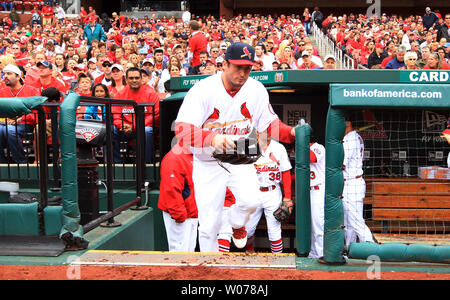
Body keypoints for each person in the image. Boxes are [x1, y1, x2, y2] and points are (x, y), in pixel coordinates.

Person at [174, 43, 296, 252]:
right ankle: (211, 268)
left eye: (247, 68)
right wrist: (211, 138)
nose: (242, 73)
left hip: (240, 157)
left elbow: (269, 124)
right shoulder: (203, 89)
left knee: (251, 201)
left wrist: (291, 133)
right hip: (208, 162)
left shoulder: (256, 89)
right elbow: (182, 130)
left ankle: (237, 224)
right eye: (237, 67)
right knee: (209, 225)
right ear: (224, 64)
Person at [244, 130, 292, 254]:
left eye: (270, 129)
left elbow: (285, 172)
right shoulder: (248, 146)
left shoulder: (279, 147)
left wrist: (287, 197)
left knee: (274, 230)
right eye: (265, 129)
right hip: (253, 192)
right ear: (257, 132)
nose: (269, 132)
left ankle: (277, 259)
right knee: (248, 229)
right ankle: (249, 251)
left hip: (273, 192)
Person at [112, 67, 160, 164]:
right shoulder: (120, 94)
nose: (134, 80)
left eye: (137, 78)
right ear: (126, 79)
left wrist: (134, 126)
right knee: (111, 130)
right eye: (131, 78)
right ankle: (117, 165)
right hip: (125, 128)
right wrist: (121, 125)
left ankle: (147, 165)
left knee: (147, 131)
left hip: (144, 127)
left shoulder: (151, 93)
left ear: (141, 79)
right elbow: (116, 115)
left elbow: (155, 115)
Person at [158, 143, 198, 252]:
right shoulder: (174, 158)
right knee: (179, 253)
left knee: (189, 253)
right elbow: (171, 190)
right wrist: (179, 215)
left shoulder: (194, 154)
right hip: (180, 215)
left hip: (192, 213)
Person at [342, 116, 375, 250]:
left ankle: (371, 248)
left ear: (348, 123)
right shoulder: (356, 136)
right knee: (349, 223)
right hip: (353, 181)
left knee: (355, 221)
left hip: (351, 183)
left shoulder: (349, 139)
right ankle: (350, 249)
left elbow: (342, 165)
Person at [0, 64, 40, 163]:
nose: (5, 76)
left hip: (25, 124)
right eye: (4, 74)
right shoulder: (2, 91)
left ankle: (21, 162)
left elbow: (37, 113)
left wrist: (22, 118)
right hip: (4, 123)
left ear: (18, 76)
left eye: (9, 74)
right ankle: (2, 163)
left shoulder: (31, 90)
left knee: (9, 130)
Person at [308, 137, 326, 258]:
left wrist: (300, 147)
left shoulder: (319, 147)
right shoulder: (303, 149)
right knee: (312, 225)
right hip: (310, 190)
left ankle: (321, 253)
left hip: (319, 189)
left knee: (318, 223)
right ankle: (314, 252)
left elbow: (311, 158)